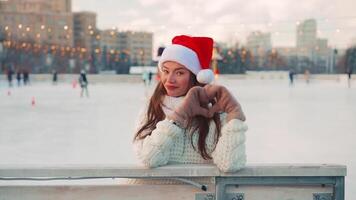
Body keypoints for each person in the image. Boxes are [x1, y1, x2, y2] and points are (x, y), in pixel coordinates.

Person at [133, 35, 247, 173]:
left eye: (179, 73)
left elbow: (229, 164)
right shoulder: (152, 108)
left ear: (195, 77)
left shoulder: (216, 113)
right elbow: (148, 158)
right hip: (151, 193)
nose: (170, 79)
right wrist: (178, 116)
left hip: (199, 193)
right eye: (166, 71)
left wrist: (235, 114)